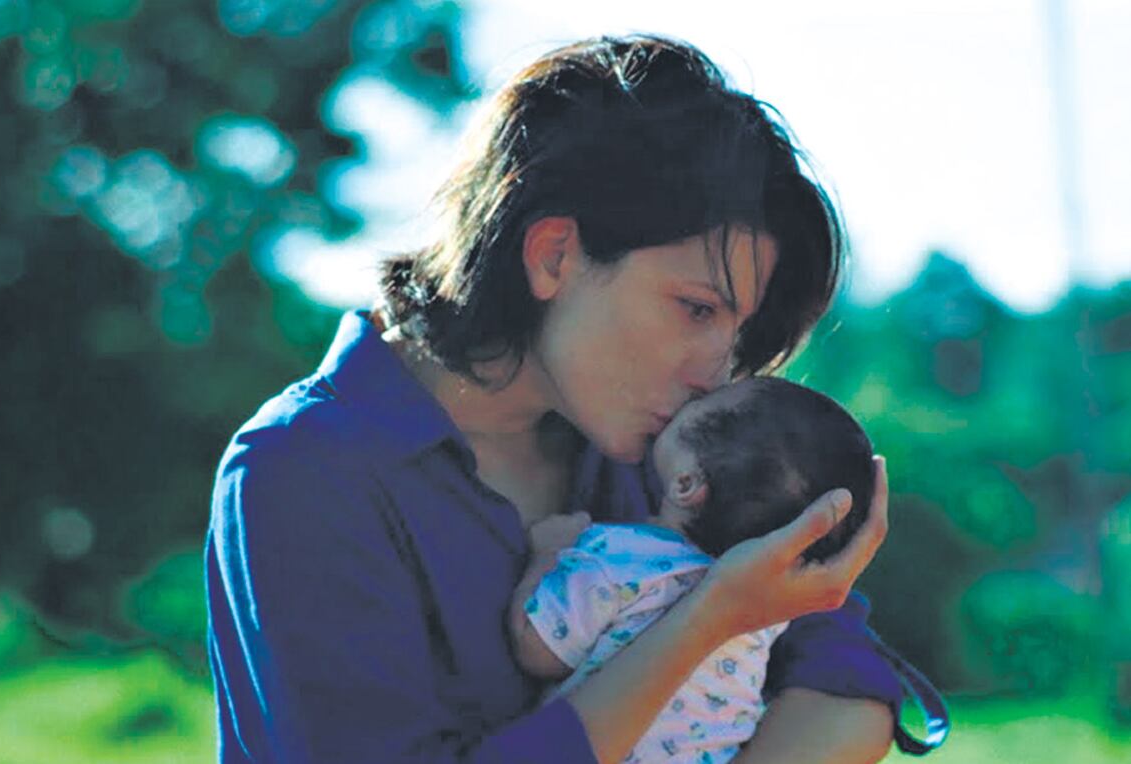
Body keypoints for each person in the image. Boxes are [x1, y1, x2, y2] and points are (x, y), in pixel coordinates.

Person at [205, 34, 915, 764]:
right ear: (552, 256)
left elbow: (853, 686)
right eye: (696, 309)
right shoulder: (303, 470)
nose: (716, 371)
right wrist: (705, 620)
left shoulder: (672, 452)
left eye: (737, 333)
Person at [508, 377, 877, 763]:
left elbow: (537, 648)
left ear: (686, 483)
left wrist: (548, 552)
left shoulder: (618, 559)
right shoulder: (769, 611)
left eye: (700, 404)